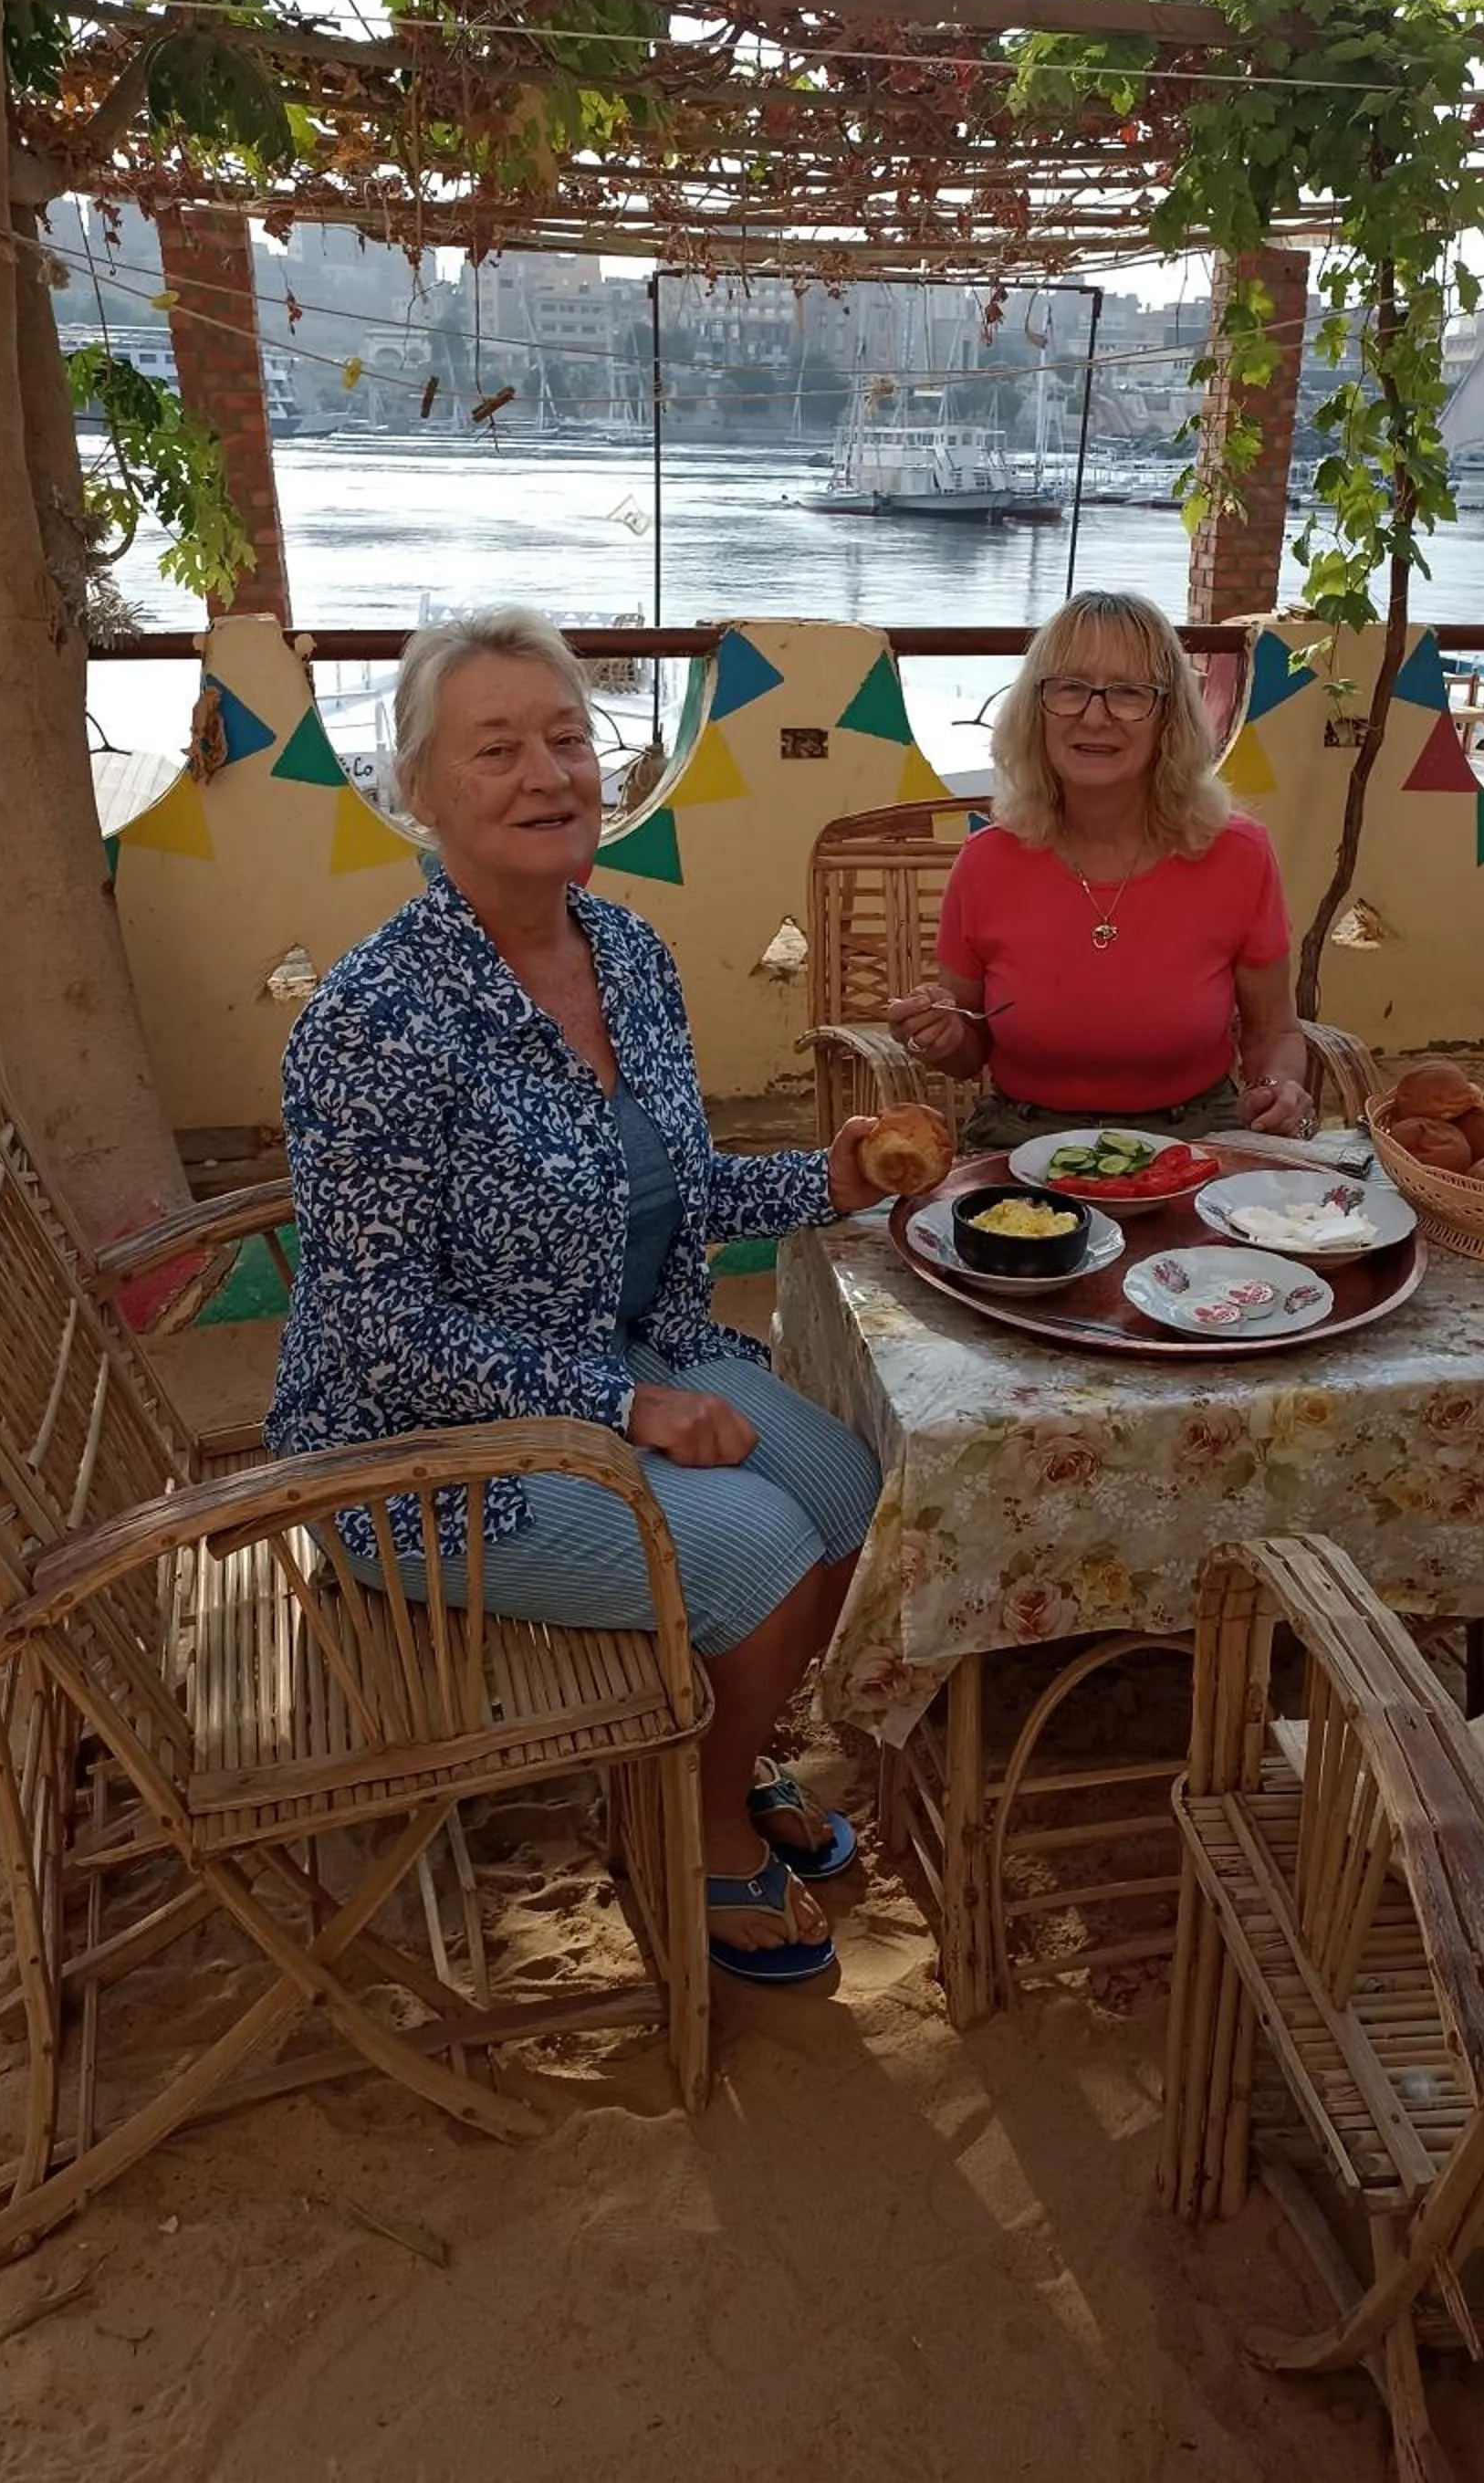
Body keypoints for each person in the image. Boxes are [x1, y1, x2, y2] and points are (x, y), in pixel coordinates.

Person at [267, 607, 884, 1988]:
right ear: (414, 792)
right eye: (497, 749)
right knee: (762, 1546)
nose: (549, 775)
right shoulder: (375, 1018)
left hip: (612, 1350)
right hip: (412, 1457)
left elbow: (660, 1192)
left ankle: (730, 1743)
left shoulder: (631, 953)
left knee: (846, 1488)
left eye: (566, 738)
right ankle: (707, 1821)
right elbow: (378, 1327)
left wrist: (825, 1185)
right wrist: (630, 1406)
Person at [889, 590, 1315, 1148]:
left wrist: (1278, 1086)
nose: (1095, 715)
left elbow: (1273, 1031)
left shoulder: (1238, 854)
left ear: (1170, 719)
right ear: (1034, 710)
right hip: (1021, 1139)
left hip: (1199, 1136)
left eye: (1129, 693)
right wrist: (941, 1036)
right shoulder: (986, 861)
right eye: (1069, 689)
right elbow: (969, 1053)